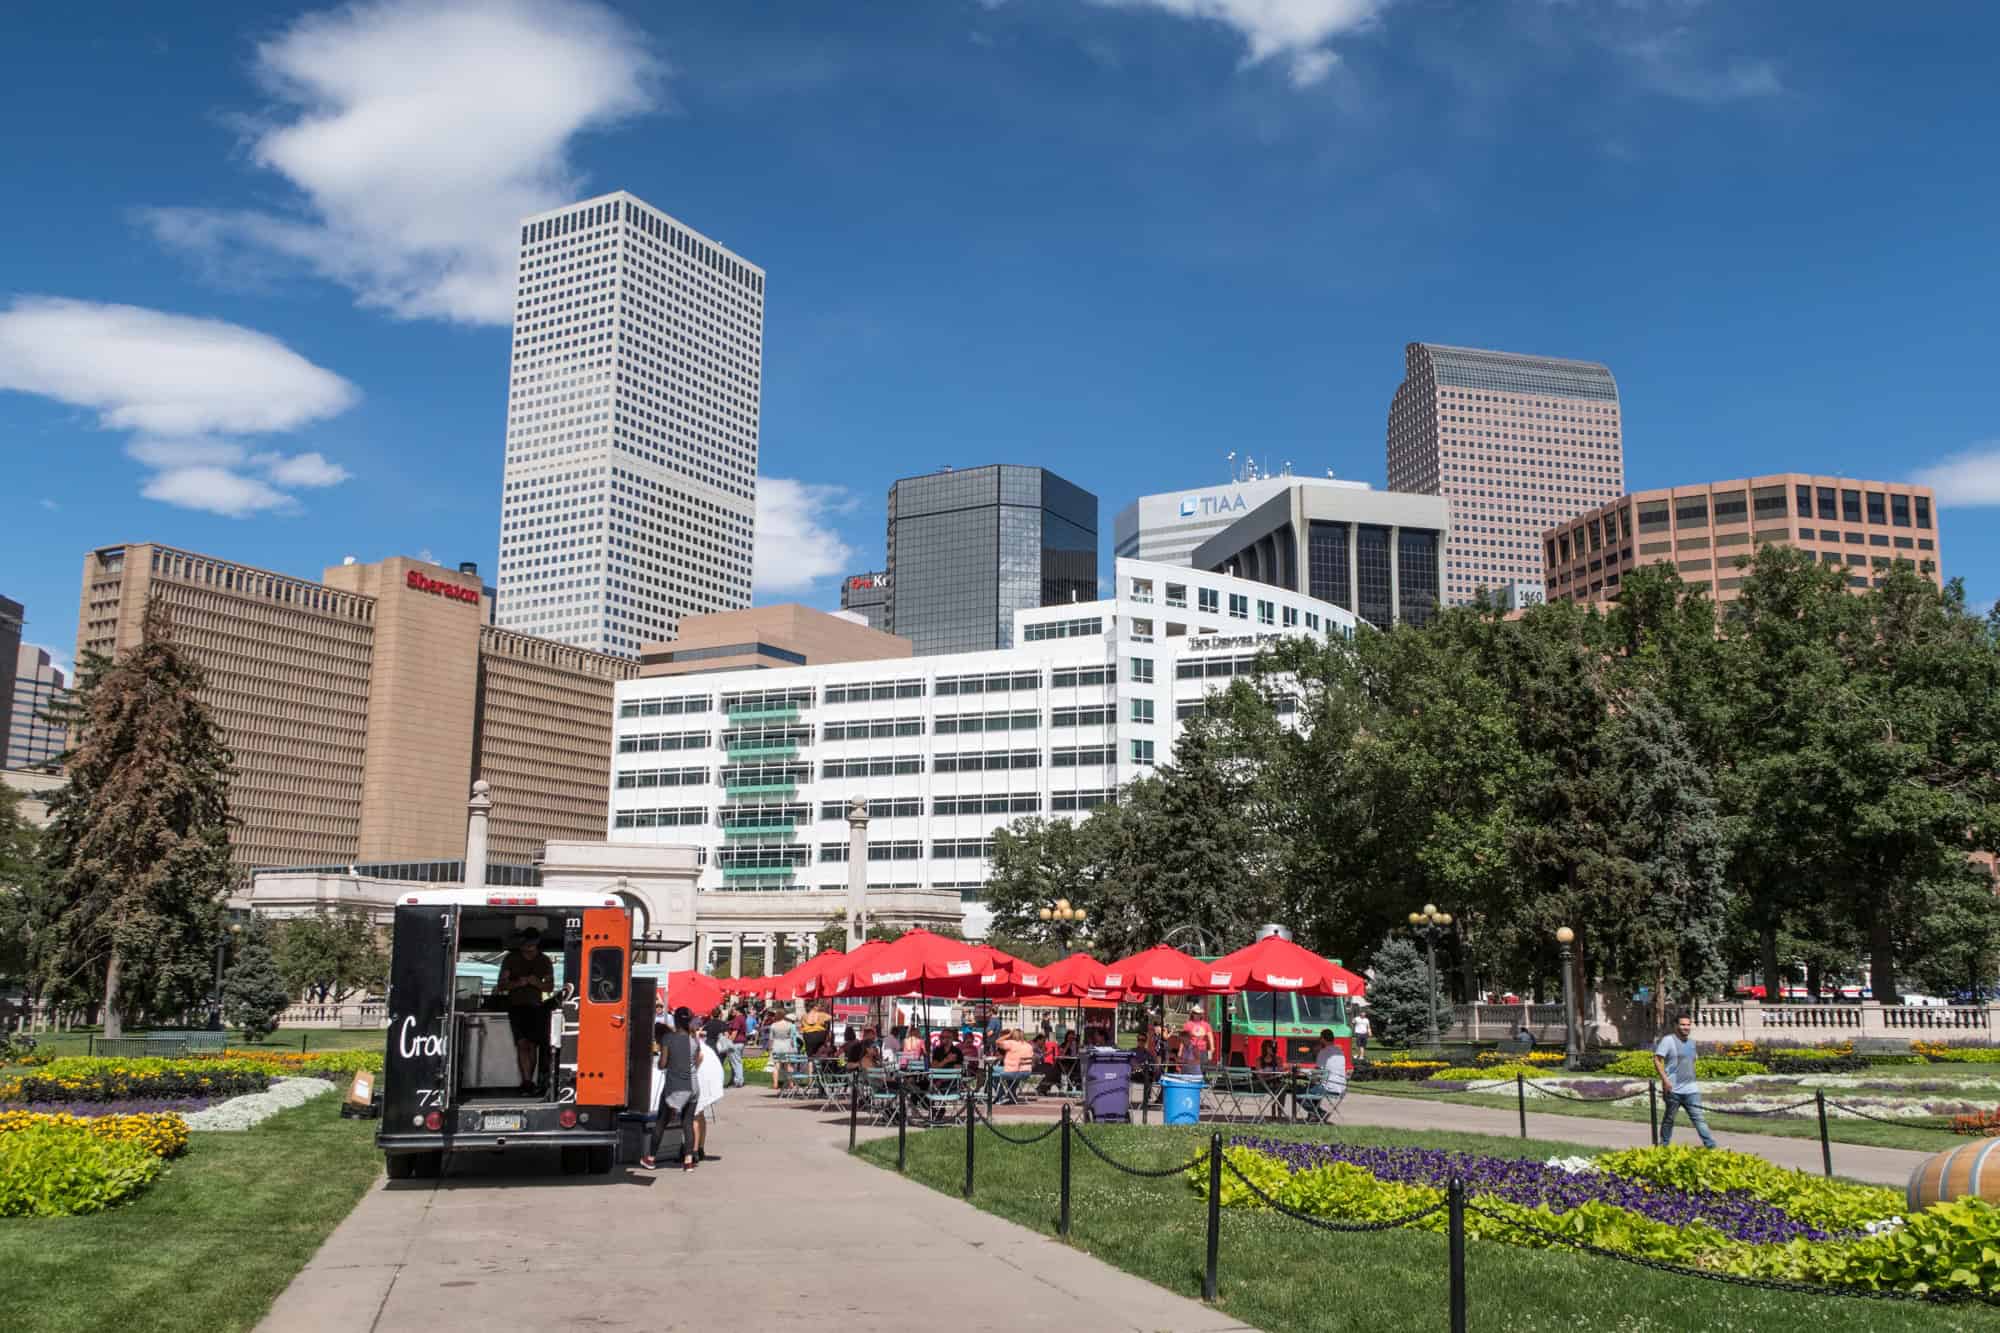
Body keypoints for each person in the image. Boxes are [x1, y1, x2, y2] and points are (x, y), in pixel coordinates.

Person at [496, 928, 555, 1094]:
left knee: (533, 1045)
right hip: (516, 1006)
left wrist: (536, 983)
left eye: (530, 945)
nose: (527, 947)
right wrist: (518, 984)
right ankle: (527, 1081)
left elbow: (550, 987)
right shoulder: (511, 958)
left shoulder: (544, 961)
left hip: (536, 1007)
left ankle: (530, 1081)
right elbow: (501, 984)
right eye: (524, 944)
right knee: (522, 1044)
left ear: (535, 944)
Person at [643, 1006, 702, 1172]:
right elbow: (697, 1060)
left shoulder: (668, 1039)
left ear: (675, 1020)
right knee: (687, 1122)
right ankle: (688, 1161)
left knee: (661, 1121)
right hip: (693, 1086)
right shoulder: (694, 1040)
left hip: (675, 1088)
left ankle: (651, 1158)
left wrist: (668, 1063)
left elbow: (662, 1064)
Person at [1654, 1012, 1716, 1149]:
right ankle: (1663, 1146)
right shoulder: (1668, 1040)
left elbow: (1692, 1061)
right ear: (1676, 1025)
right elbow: (1657, 1060)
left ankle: (1711, 1146)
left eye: (1688, 1025)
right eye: (1682, 1024)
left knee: (1699, 1119)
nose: (1685, 1027)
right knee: (1669, 1120)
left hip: (1691, 1090)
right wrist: (1665, 1080)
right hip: (1673, 1089)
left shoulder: (1692, 1043)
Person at [693, 1018, 726, 1162]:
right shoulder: (704, 1047)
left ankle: (693, 1150)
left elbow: (697, 1061)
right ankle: (699, 1148)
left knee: (694, 1116)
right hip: (703, 1083)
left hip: (696, 1083)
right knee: (700, 1115)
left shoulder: (696, 1046)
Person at [765, 1009, 799, 1089]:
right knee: (788, 1065)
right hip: (787, 1046)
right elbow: (791, 1038)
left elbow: (771, 1039)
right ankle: (791, 1083)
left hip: (776, 1046)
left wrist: (770, 1048)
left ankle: (775, 1084)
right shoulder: (789, 1025)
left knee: (776, 1066)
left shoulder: (773, 1025)